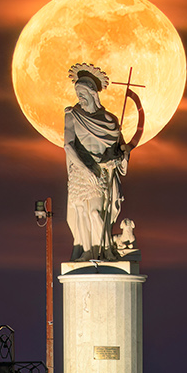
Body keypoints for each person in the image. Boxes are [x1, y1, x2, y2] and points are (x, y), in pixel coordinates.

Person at [64, 63, 131, 260]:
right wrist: (85, 171)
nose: (79, 98)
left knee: (95, 212)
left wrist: (121, 157)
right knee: (81, 213)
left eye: (82, 93)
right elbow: (68, 146)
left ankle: (106, 249)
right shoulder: (72, 115)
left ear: (93, 93)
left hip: (102, 172)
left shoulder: (110, 120)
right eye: (77, 93)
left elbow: (121, 150)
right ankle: (87, 252)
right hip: (81, 171)